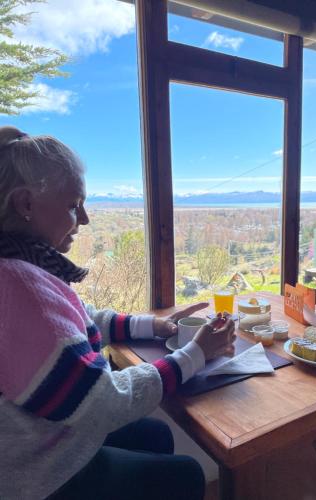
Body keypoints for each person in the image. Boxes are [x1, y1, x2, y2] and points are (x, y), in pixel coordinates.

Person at [0, 126, 236, 500]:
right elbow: (102, 405)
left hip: (40, 433)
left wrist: (157, 326)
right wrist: (195, 355)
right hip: (35, 476)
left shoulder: (20, 264)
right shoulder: (19, 285)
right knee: (187, 475)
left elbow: (79, 320)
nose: (85, 218)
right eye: (73, 205)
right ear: (26, 204)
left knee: (156, 433)